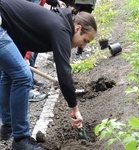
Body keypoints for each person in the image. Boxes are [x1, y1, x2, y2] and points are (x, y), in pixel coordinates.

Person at [0, 0, 97, 150]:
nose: (83, 46)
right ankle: (21, 140)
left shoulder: (58, 22)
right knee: (23, 76)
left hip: (5, 25)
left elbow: (23, 32)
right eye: (85, 40)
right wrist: (74, 108)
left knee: (10, 74)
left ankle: (8, 126)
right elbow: (64, 73)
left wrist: (22, 56)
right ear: (77, 28)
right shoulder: (61, 29)